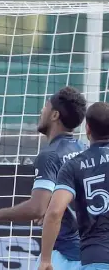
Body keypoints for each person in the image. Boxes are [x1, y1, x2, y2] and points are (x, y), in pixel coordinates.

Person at [0, 86, 87, 269]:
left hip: (64, 256)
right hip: (88, 252)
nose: (42, 111)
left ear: (54, 115)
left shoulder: (50, 155)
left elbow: (37, 208)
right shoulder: (82, 149)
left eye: (46, 106)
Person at [39, 101, 109, 270]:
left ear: (88, 129)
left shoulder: (73, 165)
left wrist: (46, 260)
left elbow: (55, 212)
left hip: (96, 257)